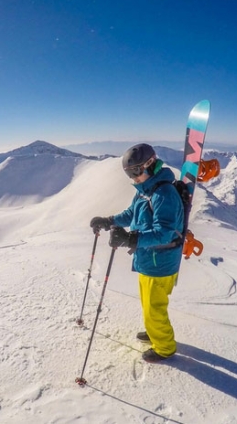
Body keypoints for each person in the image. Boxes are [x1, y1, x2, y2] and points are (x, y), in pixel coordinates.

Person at [90, 143, 184, 362]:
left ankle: (164, 347)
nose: (133, 177)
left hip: (160, 263)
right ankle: (154, 332)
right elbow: (131, 214)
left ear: (150, 165)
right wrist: (109, 221)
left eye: (136, 171)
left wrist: (130, 238)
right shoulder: (145, 192)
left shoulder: (164, 194)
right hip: (148, 259)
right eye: (129, 173)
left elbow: (165, 233)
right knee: (148, 304)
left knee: (154, 309)